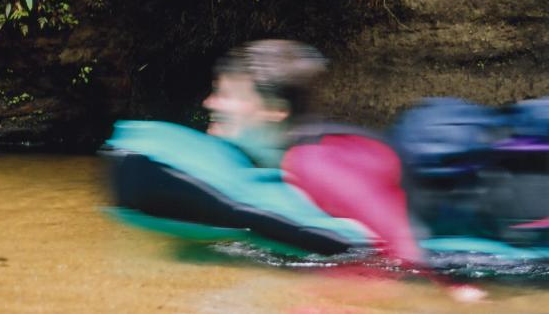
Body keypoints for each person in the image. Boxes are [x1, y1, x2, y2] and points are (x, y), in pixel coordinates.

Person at [202, 39, 486, 302]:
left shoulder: (314, 161)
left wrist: (454, 289)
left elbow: (396, 242)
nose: (209, 103)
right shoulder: (281, 158)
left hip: (453, 242)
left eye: (225, 94)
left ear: (274, 110)